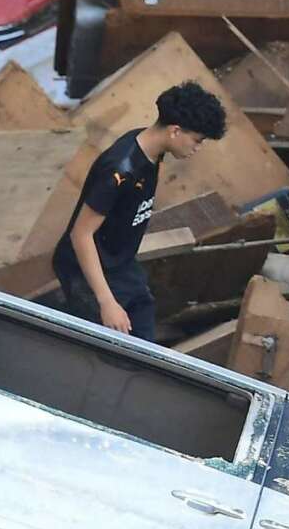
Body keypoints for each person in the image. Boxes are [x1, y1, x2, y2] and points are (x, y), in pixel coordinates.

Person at [54, 81, 227, 340]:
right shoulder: (120, 171)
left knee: (144, 328)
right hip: (89, 269)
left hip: (120, 262)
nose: (197, 148)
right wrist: (107, 303)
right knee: (111, 345)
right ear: (175, 131)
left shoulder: (152, 150)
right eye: (197, 140)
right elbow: (81, 235)